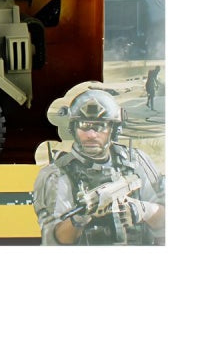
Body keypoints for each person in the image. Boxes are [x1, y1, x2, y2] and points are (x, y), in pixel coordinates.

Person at [33, 89, 165, 245]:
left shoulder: (137, 161)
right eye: (83, 125)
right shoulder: (56, 175)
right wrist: (80, 218)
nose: (91, 134)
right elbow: (54, 241)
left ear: (114, 129)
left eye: (100, 126)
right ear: (73, 128)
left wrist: (142, 210)